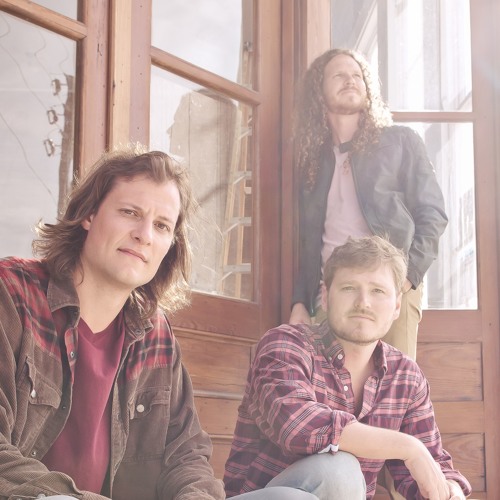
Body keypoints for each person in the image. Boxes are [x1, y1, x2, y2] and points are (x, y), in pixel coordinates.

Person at [0, 146, 225, 499]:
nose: (144, 235)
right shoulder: (12, 294)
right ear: (89, 214)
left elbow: (186, 455)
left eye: (162, 226)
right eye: (130, 212)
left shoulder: (155, 334)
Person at [224, 236, 471, 499]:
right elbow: (297, 426)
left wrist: (449, 489)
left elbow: (431, 465)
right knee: (338, 471)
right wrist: (409, 447)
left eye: (378, 291)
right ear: (325, 297)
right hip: (265, 494)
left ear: (397, 305)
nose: (363, 302)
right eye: (349, 288)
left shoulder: (406, 376)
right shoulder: (286, 345)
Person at [289, 48, 448, 361]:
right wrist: (300, 301)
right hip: (334, 289)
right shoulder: (312, 163)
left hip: (390, 283)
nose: (350, 80)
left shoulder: (400, 141)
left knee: (394, 383)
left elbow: (433, 214)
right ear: (319, 90)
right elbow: (308, 242)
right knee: (331, 385)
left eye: (357, 75)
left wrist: (407, 276)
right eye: (339, 75)